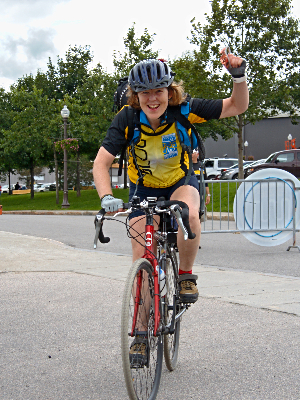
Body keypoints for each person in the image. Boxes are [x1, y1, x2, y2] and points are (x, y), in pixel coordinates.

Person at [93, 52, 248, 305]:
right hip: (143, 189)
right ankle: (141, 336)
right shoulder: (127, 118)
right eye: (145, 93)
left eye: (158, 91)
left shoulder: (184, 109)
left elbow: (236, 106)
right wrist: (106, 196)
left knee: (188, 213)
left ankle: (186, 275)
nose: (152, 99)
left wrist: (238, 77)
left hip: (180, 182)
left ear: (169, 91)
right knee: (142, 260)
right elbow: (101, 163)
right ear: (135, 95)